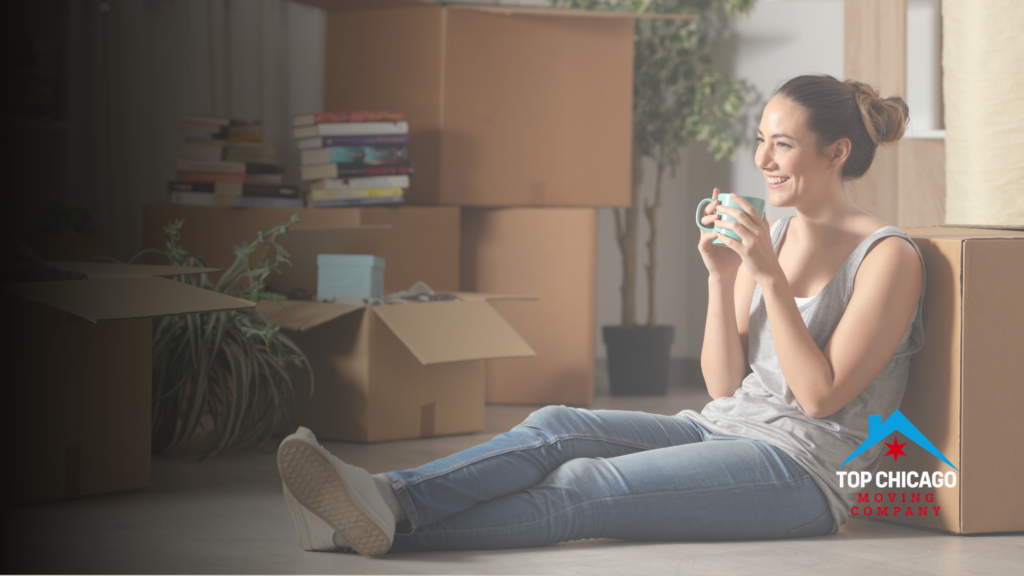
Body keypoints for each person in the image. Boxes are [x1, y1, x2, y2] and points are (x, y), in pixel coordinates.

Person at [275, 74, 926, 556]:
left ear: (837, 152)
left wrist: (767, 278)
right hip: (724, 427)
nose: (761, 161)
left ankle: (352, 523)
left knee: (586, 485)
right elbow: (723, 386)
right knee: (558, 426)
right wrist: (720, 276)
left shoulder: (887, 257)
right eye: (760, 141)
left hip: (802, 473)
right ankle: (381, 500)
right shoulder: (778, 237)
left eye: (782, 145)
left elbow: (816, 398)